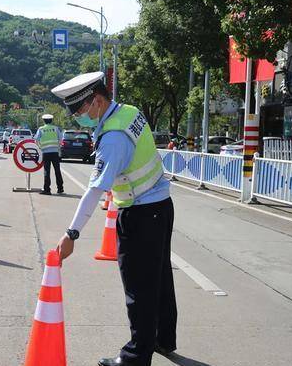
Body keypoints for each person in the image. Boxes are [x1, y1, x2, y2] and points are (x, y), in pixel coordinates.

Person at [52, 72, 177, 366]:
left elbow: (95, 190)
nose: (80, 118)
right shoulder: (129, 112)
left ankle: (136, 356)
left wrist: (71, 234)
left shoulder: (113, 138)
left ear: (97, 100)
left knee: (138, 288)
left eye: (81, 111)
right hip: (160, 205)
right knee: (159, 279)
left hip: (140, 214)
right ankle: (163, 337)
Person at [34, 113, 64, 195]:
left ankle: (47, 189)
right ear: (51, 120)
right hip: (55, 152)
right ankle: (60, 188)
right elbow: (61, 139)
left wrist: (40, 147)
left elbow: (36, 140)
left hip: (45, 152)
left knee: (47, 171)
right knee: (57, 170)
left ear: (44, 121)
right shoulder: (55, 128)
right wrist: (58, 147)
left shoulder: (41, 129)